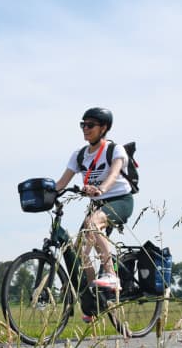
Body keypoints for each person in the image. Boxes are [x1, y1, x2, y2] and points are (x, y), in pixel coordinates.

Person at [53, 107, 134, 318]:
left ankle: (111, 274)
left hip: (119, 200)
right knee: (80, 252)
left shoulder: (114, 150)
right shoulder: (79, 155)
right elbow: (61, 183)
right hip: (96, 206)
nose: (85, 129)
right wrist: (44, 192)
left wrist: (102, 189)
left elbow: (114, 173)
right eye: (83, 125)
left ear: (103, 128)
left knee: (92, 223)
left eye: (90, 125)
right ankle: (94, 297)